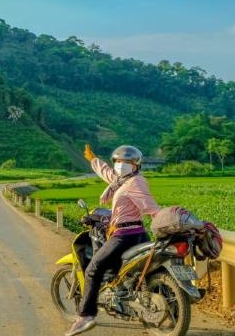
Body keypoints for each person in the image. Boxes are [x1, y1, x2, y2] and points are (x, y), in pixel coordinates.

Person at [65, 144, 160, 336]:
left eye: (127, 161)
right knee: (128, 273)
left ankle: (86, 316)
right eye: (118, 161)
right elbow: (107, 173)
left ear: (136, 165)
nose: (121, 164)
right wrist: (93, 159)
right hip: (137, 234)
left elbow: (149, 206)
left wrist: (161, 219)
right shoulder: (122, 181)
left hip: (125, 236)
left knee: (93, 269)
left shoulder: (136, 183)